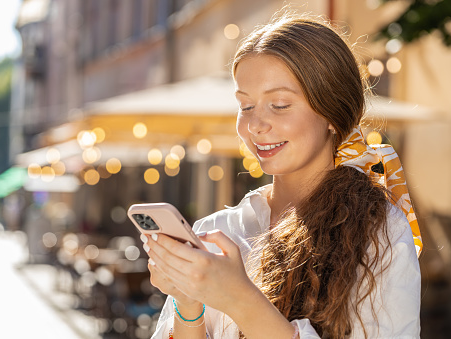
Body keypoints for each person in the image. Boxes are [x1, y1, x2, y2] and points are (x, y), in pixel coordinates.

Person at [141, 11, 422, 339]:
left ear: (331, 113)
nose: (255, 124)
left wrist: (240, 300)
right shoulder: (217, 232)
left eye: (280, 104)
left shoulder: (380, 234)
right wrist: (188, 304)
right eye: (245, 106)